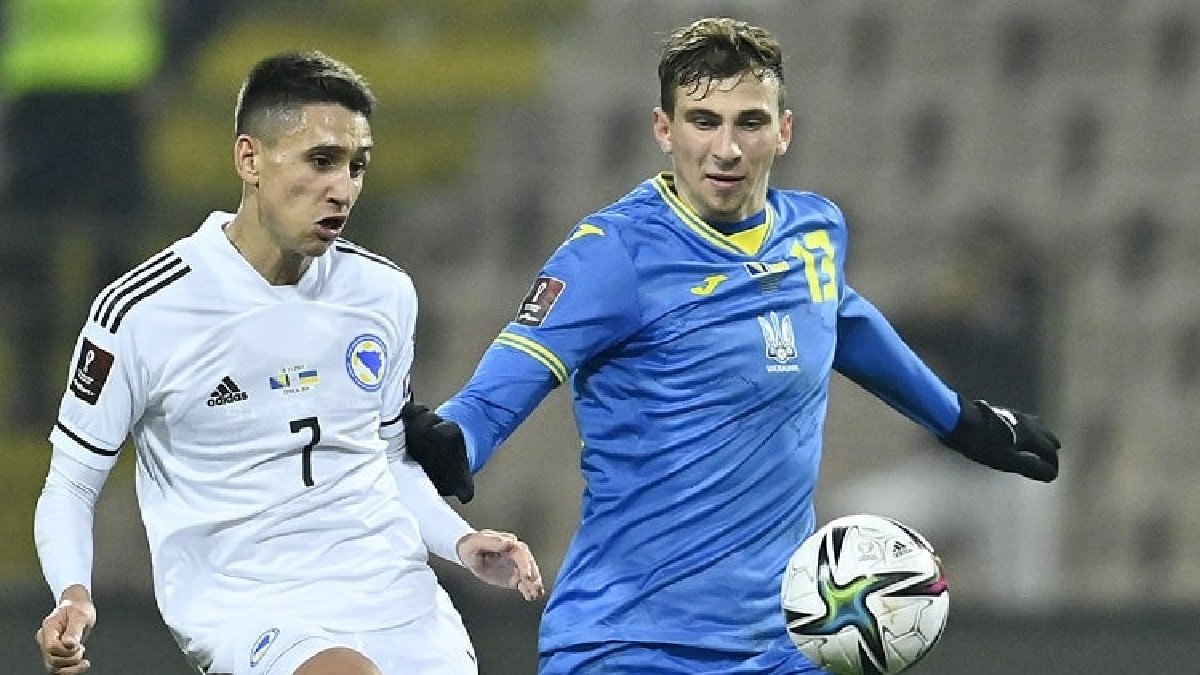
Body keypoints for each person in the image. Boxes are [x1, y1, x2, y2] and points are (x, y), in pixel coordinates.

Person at [402, 17, 1061, 675]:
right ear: (664, 129)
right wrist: (455, 440)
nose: (726, 148)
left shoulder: (815, 233)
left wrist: (958, 419)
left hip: (782, 646)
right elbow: (506, 381)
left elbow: (845, 319)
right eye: (703, 121)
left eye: (749, 122)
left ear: (784, 130)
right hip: (629, 643)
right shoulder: (612, 254)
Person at [32, 50, 544, 675]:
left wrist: (459, 540)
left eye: (357, 166)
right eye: (321, 160)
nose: (343, 189)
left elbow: (387, 460)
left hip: (391, 592)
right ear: (250, 159)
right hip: (249, 601)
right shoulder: (145, 310)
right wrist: (73, 595)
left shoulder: (382, 293)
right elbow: (72, 482)